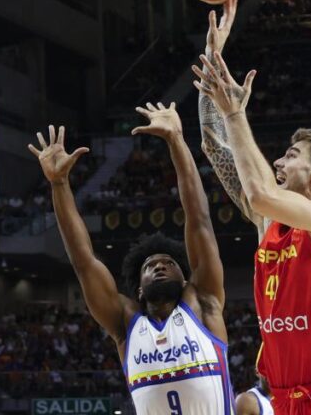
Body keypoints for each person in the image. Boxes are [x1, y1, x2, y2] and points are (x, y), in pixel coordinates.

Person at [193, 43, 311, 414]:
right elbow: (215, 147)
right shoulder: (271, 223)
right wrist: (212, 60)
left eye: (292, 156)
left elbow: (261, 194)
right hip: (285, 400)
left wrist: (235, 113)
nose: (279, 160)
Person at [28, 115, 232, 414]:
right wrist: (59, 185)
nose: (160, 266)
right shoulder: (125, 323)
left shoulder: (204, 303)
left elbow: (199, 218)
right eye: (150, 265)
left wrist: (176, 140)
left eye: (168, 263)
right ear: (138, 288)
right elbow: (83, 261)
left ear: (186, 279)